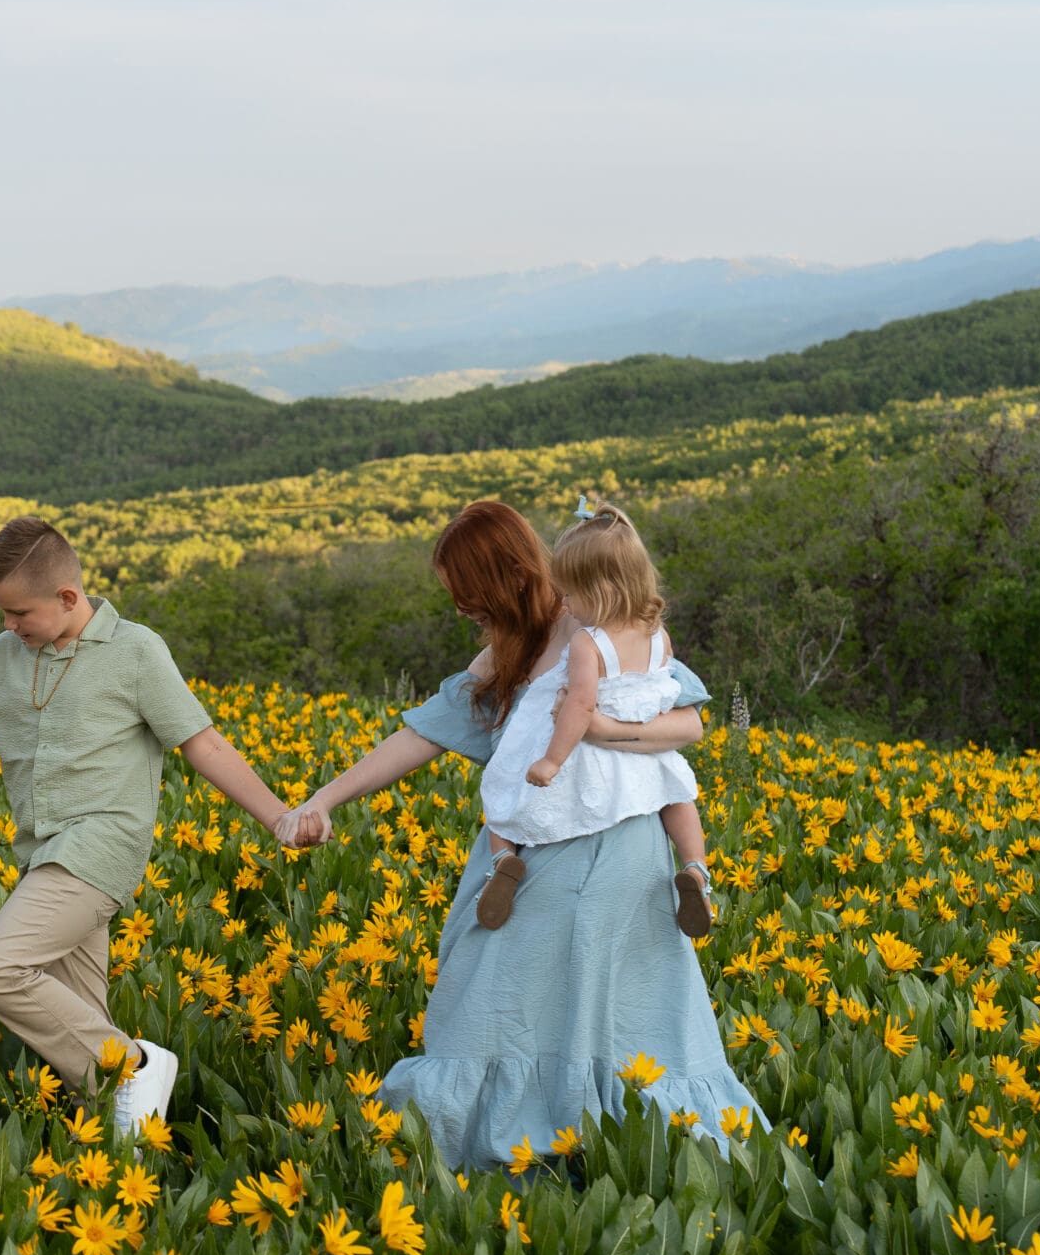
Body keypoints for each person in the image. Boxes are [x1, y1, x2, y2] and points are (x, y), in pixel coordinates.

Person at [278, 499, 765, 1168]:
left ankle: (551, 1145)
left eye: (467, 592)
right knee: (568, 1009)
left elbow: (690, 723)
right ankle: (601, 1144)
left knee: (530, 1003)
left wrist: (603, 731)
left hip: (589, 848)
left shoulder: (592, 627)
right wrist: (323, 798)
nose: (459, 608)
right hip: (578, 846)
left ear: (505, 574)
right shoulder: (506, 652)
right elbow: (420, 734)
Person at [0, 516, 293, 1139]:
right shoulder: (3, 656)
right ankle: (121, 1143)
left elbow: (202, 745)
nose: (8, 626)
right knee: (81, 1017)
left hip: (100, 846)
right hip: (42, 854)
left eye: (19, 613)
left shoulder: (137, 651)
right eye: (2, 614)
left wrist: (280, 815)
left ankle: (137, 1063)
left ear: (69, 598)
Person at [473, 504, 714, 934]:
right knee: (677, 797)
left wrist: (551, 761)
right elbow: (666, 686)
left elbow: (581, 707)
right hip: (648, 749)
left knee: (503, 795)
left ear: (600, 590)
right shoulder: (657, 632)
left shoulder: (589, 643)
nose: (563, 603)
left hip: (591, 751)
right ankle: (696, 869)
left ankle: (503, 861)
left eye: (570, 594)